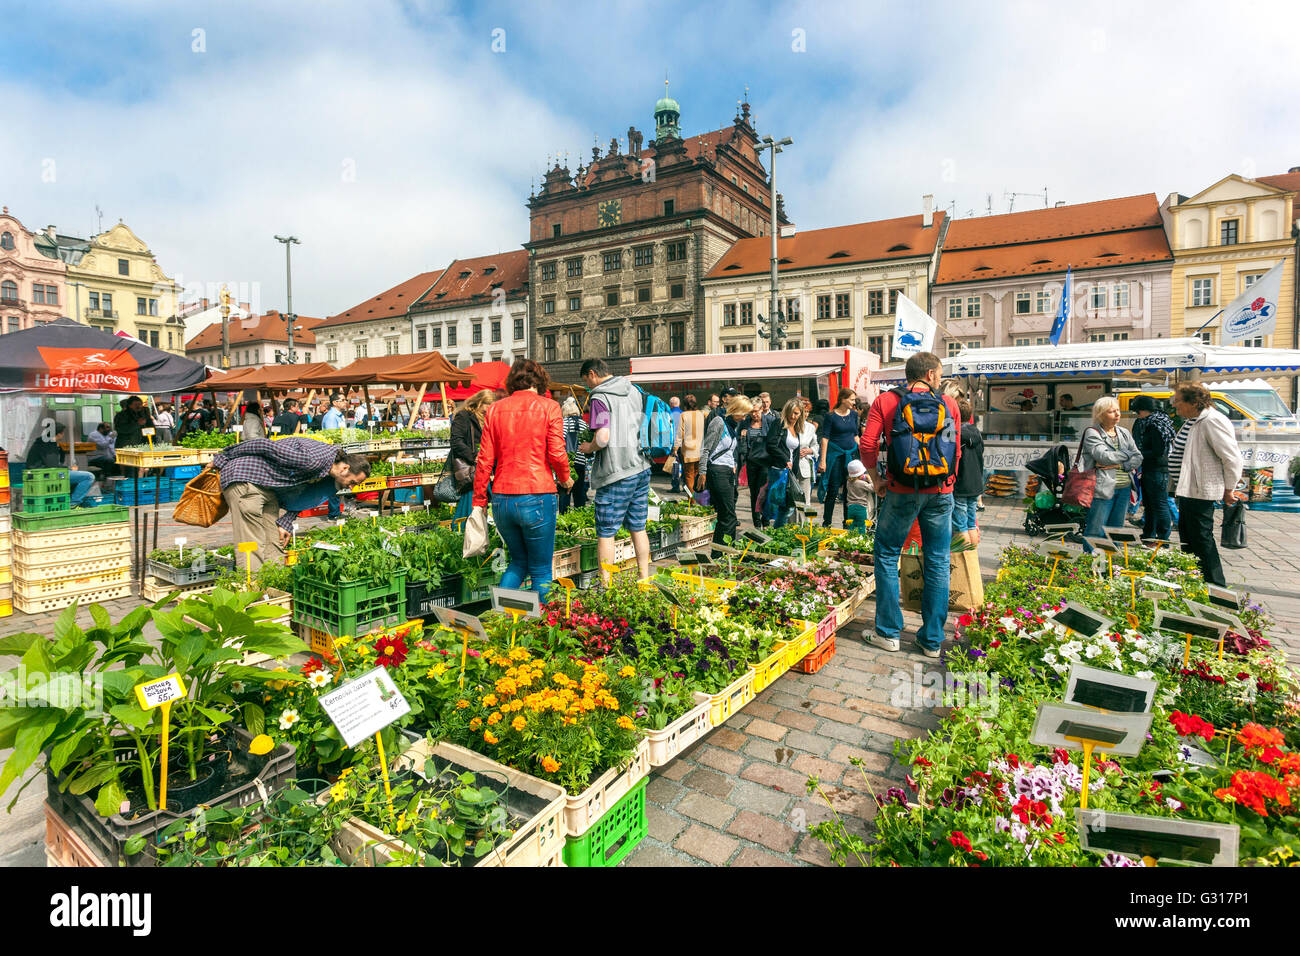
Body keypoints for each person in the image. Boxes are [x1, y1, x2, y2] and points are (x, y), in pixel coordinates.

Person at [860, 351, 961, 658]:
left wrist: (877, 480)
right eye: (940, 374)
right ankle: (931, 641)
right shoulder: (950, 404)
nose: (941, 379)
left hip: (901, 489)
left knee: (888, 553)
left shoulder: (886, 401)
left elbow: (866, 444)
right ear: (929, 374)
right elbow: (956, 450)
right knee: (938, 560)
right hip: (941, 491)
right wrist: (948, 484)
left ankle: (888, 633)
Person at [472, 359, 571, 600]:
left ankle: (502, 620)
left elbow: (484, 459)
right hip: (537, 493)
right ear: (540, 381)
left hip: (503, 498)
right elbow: (557, 453)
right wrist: (565, 478)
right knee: (540, 569)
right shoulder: (549, 407)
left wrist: (479, 500)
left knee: (517, 563)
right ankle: (542, 629)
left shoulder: (495, 409)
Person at [210, 437, 371, 568]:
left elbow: (307, 495)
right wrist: (223, 457)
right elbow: (263, 444)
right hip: (245, 476)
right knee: (252, 540)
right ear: (345, 468)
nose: (351, 487)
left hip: (269, 486)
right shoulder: (312, 459)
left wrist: (286, 521)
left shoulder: (330, 472)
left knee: (273, 541)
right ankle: (253, 592)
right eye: (353, 482)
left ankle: (273, 585)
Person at [579, 358, 651, 580]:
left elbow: (602, 437)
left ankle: (606, 587)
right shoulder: (633, 390)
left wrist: (588, 447)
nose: (588, 386)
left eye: (586, 381)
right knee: (638, 527)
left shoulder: (600, 396)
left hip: (616, 471)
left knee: (606, 532)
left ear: (592, 374)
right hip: (641, 466)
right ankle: (644, 577)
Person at [1172, 383, 1243, 587]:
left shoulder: (1212, 421)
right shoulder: (1192, 420)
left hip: (1201, 490)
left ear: (1194, 402)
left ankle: (1215, 586)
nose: (1175, 405)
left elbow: (1232, 458)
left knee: (1201, 539)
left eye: (1178, 400)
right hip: (1188, 489)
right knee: (1188, 539)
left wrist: (1229, 489)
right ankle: (1194, 582)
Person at [1078, 396, 1142, 553]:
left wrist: (1120, 462)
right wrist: (1127, 455)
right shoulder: (1092, 433)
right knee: (1096, 529)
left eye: (1118, 410)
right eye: (1112, 411)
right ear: (1101, 414)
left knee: (1116, 530)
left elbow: (1138, 456)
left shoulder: (1124, 432)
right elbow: (1104, 457)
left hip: (1124, 488)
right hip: (1102, 488)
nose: (1117, 414)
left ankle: (1111, 563)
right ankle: (1091, 562)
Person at [699, 395, 752, 544]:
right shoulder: (719, 422)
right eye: (743, 413)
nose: (744, 418)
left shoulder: (732, 426)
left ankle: (721, 551)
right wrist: (702, 472)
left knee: (726, 515)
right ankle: (724, 551)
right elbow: (706, 448)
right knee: (729, 516)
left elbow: (729, 450)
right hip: (717, 471)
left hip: (727, 471)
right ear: (735, 409)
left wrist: (733, 464)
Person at [763, 398, 818, 528]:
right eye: (791, 412)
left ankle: (778, 531)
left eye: (796, 413)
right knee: (779, 505)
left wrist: (795, 470)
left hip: (790, 472)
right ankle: (774, 530)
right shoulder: (779, 423)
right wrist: (785, 459)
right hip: (779, 470)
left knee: (787, 506)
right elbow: (771, 445)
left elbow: (797, 451)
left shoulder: (797, 428)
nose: (793, 416)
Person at [1130, 395, 1175, 541]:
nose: (1137, 415)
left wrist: (1137, 454)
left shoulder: (1155, 424)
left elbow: (1158, 451)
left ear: (1144, 410)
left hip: (1157, 469)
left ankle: (1163, 539)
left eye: (1138, 411)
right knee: (1149, 504)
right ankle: (1149, 535)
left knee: (1159, 504)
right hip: (1149, 468)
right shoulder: (1149, 422)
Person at [450, 389, 495, 520]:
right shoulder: (464, 416)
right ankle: (465, 532)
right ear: (479, 402)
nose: (489, 410)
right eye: (487, 405)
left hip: (486, 467)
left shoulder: (489, 419)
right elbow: (456, 441)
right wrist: (473, 455)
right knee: (471, 504)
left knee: (486, 505)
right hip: (471, 469)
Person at [818, 389, 861, 526]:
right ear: (843, 399)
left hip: (851, 456)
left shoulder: (854, 415)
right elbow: (825, 439)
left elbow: (855, 435)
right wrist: (823, 461)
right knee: (833, 489)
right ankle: (827, 523)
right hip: (836, 456)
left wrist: (864, 452)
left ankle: (846, 523)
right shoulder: (830, 416)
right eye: (852, 400)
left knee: (850, 491)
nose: (854, 403)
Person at [26, 423, 95, 506]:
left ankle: (70, 500)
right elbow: (53, 465)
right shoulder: (48, 445)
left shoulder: (43, 442)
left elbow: (58, 461)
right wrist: (68, 469)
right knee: (88, 477)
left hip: (43, 473)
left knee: (75, 478)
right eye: (62, 433)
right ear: (58, 434)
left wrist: (58, 448)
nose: (63, 435)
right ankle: (73, 503)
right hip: (46, 475)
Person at [952, 398, 984, 542]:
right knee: (971, 523)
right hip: (976, 484)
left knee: (960, 525)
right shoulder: (977, 433)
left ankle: (963, 557)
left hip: (961, 484)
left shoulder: (955, 434)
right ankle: (972, 557)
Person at [739, 404, 770, 528]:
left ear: (761, 410)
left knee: (765, 492)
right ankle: (757, 522)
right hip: (751, 462)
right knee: (754, 493)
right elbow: (739, 441)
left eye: (756, 411)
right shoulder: (745, 423)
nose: (754, 414)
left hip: (765, 462)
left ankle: (766, 521)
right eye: (751, 412)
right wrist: (742, 437)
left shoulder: (769, 422)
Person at [560, 396, 589, 513]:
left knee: (564, 493)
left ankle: (564, 517)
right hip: (581, 462)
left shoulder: (562, 423)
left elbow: (560, 441)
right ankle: (579, 516)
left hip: (566, 462)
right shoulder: (584, 424)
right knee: (579, 492)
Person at [675, 394, 707, 498]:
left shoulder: (683, 415)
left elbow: (680, 434)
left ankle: (692, 500)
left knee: (689, 476)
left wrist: (675, 448)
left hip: (688, 450)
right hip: (701, 449)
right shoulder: (702, 414)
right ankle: (700, 499)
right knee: (699, 474)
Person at [844, 459, 873, 532]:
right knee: (861, 526)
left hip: (850, 508)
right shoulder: (861, 484)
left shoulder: (848, 482)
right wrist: (870, 480)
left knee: (851, 526)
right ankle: (860, 540)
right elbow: (873, 488)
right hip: (861, 508)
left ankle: (851, 539)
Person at [667, 396, 683, 493]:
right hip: (684, 443)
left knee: (675, 465)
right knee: (685, 466)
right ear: (679, 404)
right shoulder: (683, 414)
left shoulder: (668, 414)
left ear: (670, 404)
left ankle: (676, 486)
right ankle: (686, 486)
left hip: (673, 444)